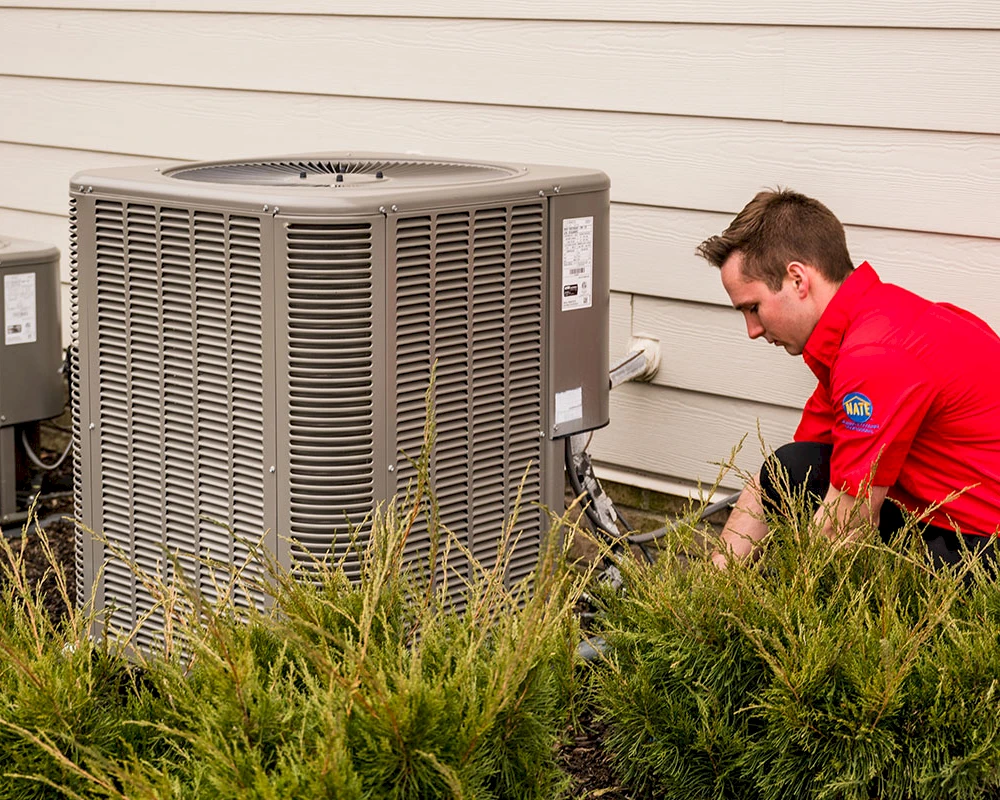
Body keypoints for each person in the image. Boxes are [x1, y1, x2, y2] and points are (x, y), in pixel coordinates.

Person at [696, 188, 1000, 570]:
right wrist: (710, 588)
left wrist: (780, 612)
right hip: (945, 523)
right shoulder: (860, 329)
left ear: (797, 280)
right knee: (792, 469)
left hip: (983, 554)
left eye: (753, 308)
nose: (752, 330)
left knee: (850, 556)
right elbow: (779, 479)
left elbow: (847, 523)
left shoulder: (874, 354)